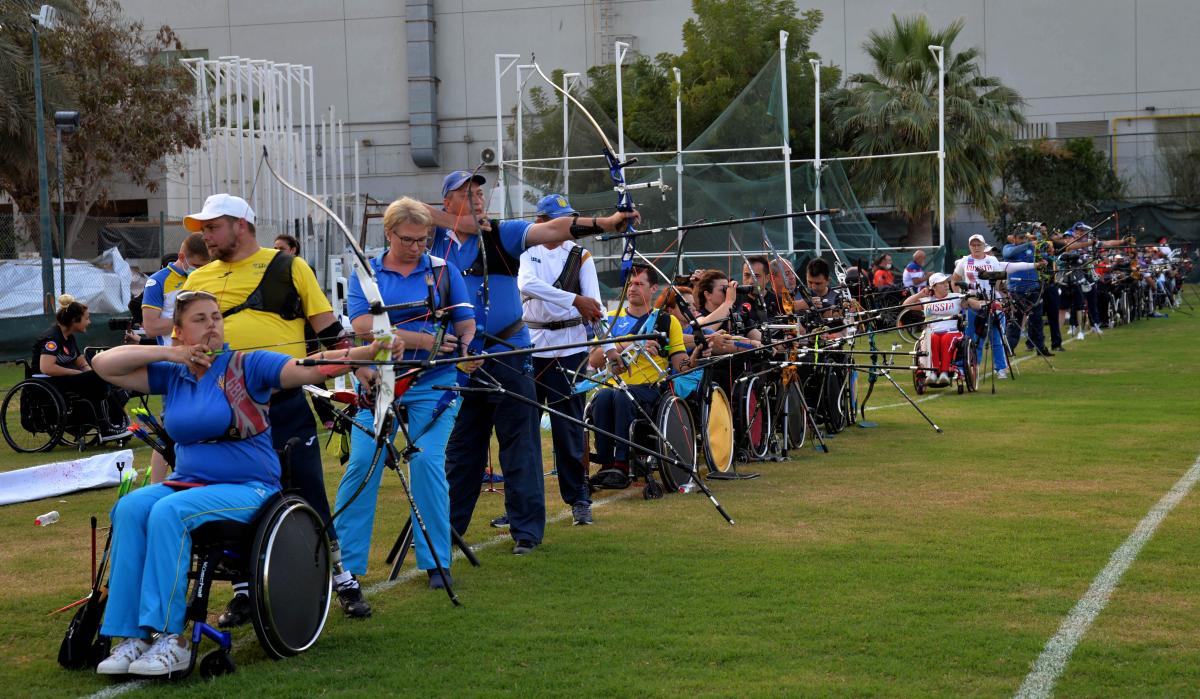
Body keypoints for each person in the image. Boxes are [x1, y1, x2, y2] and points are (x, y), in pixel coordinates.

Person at [90, 290, 401, 677]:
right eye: (200, 319)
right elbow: (103, 364)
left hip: (250, 488)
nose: (212, 325)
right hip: (190, 483)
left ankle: (171, 637)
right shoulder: (173, 372)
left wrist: (370, 352)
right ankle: (132, 636)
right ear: (180, 331)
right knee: (130, 507)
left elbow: (310, 367)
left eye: (216, 316)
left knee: (169, 512)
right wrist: (171, 354)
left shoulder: (246, 365)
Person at [180, 193, 370, 618]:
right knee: (237, 497)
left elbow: (329, 332)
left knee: (306, 488)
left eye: (213, 227)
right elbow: (181, 342)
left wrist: (361, 369)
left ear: (241, 225)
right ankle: (246, 588)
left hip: (282, 402)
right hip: (223, 411)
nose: (205, 237)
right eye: (203, 229)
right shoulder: (196, 280)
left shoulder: (288, 266)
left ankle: (340, 576)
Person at [428, 170, 636, 556]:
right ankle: (449, 529)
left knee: (519, 445)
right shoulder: (435, 237)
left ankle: (526, 532)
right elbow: (401, 212)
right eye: (465, 192)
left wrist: (602, 223)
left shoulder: (501, 233)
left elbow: (553, 230)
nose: (477, 197)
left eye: (479, 192)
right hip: (461, 359)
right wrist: (456, 224)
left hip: (508, 353)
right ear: (446, 202)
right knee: (461, 450)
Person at [335, 197, 478, 592]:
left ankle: (436, 561)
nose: (417, 247)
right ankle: (346, 568)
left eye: (424, 239)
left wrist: (467, 349)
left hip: (435, 384)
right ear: (389, 233)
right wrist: (421, 338)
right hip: (380, 383)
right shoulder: (366, 273)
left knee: (428, 461)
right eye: (409, 240)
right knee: (363, 462)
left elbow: (465, 323)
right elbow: (364, 326)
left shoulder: (443, 270)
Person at [516, 193, 604, 526]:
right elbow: (527, 283)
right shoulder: (526, 250)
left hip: (571, 349)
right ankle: (520, 505)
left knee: (569, 429)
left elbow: (593, 304)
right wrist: (574, 300)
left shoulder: (581, 256)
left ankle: (579, 498)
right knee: (522, 430)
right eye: (557, 219)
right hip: (532, 347)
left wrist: (609, 347)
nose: (566, 226)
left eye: (569, 219)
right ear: (541, 223)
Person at [586, 264, 700, 488]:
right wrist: (629, 343)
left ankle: (622, 465)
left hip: (648, 390)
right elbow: (594, 360)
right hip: (615, 386)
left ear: (654, 288)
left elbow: (680, 364)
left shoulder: (667, 321)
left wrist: (696, 355)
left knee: (620, 397)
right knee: (603, 398)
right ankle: (607, 465)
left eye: (639, 284)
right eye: (630, 283)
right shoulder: (608, 318)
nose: (632, 288)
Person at [140, 232, 212, 482]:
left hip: (211, 363)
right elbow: (150, 326)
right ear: (182, 258)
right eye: (198, 266)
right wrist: (190, 321)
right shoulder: (158, 282)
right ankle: (156, 487)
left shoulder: (213, 277)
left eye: (207, 265)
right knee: (169, 430)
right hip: (177, 366)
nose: (202, 271)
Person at [31, 294, 127, 438]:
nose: (89, 322)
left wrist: (91, 372)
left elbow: (81, 362)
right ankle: (105, 427)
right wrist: (76, 373)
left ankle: (116, 422)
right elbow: (47, 368)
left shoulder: (69, 337)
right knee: (96, 379)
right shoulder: (52, 339)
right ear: (75, 320)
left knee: (101, 377)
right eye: (86, 318)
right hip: (50, 382)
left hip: (65, 380)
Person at [903, 272, 985, 386]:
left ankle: (944, 373)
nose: (946, 285)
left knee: (946, 338)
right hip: (931, 332)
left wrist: (975, 301)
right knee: (932, 338)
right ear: (934, 286)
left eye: (946, 282)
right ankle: (933, 372)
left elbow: (973, 304)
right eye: (942, 283)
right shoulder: (927, 300)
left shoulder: (955, 297)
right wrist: (920, 294)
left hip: (953, 332)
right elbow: (906, 305)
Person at [1002, 227, 1053, 357]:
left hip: (1034, 288)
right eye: (1020, 238)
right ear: (1014, 239)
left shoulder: (1030, 249)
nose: (1023, 240)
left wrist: (1045, 259)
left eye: (1025, 238)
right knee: (1016, 321)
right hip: (1017, 290)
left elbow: (1042, 255)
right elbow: (1008, 255)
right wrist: (1029, 243)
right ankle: (1010, 348)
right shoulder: (1008, 248)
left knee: (1037, 321)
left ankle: (1040, 348)